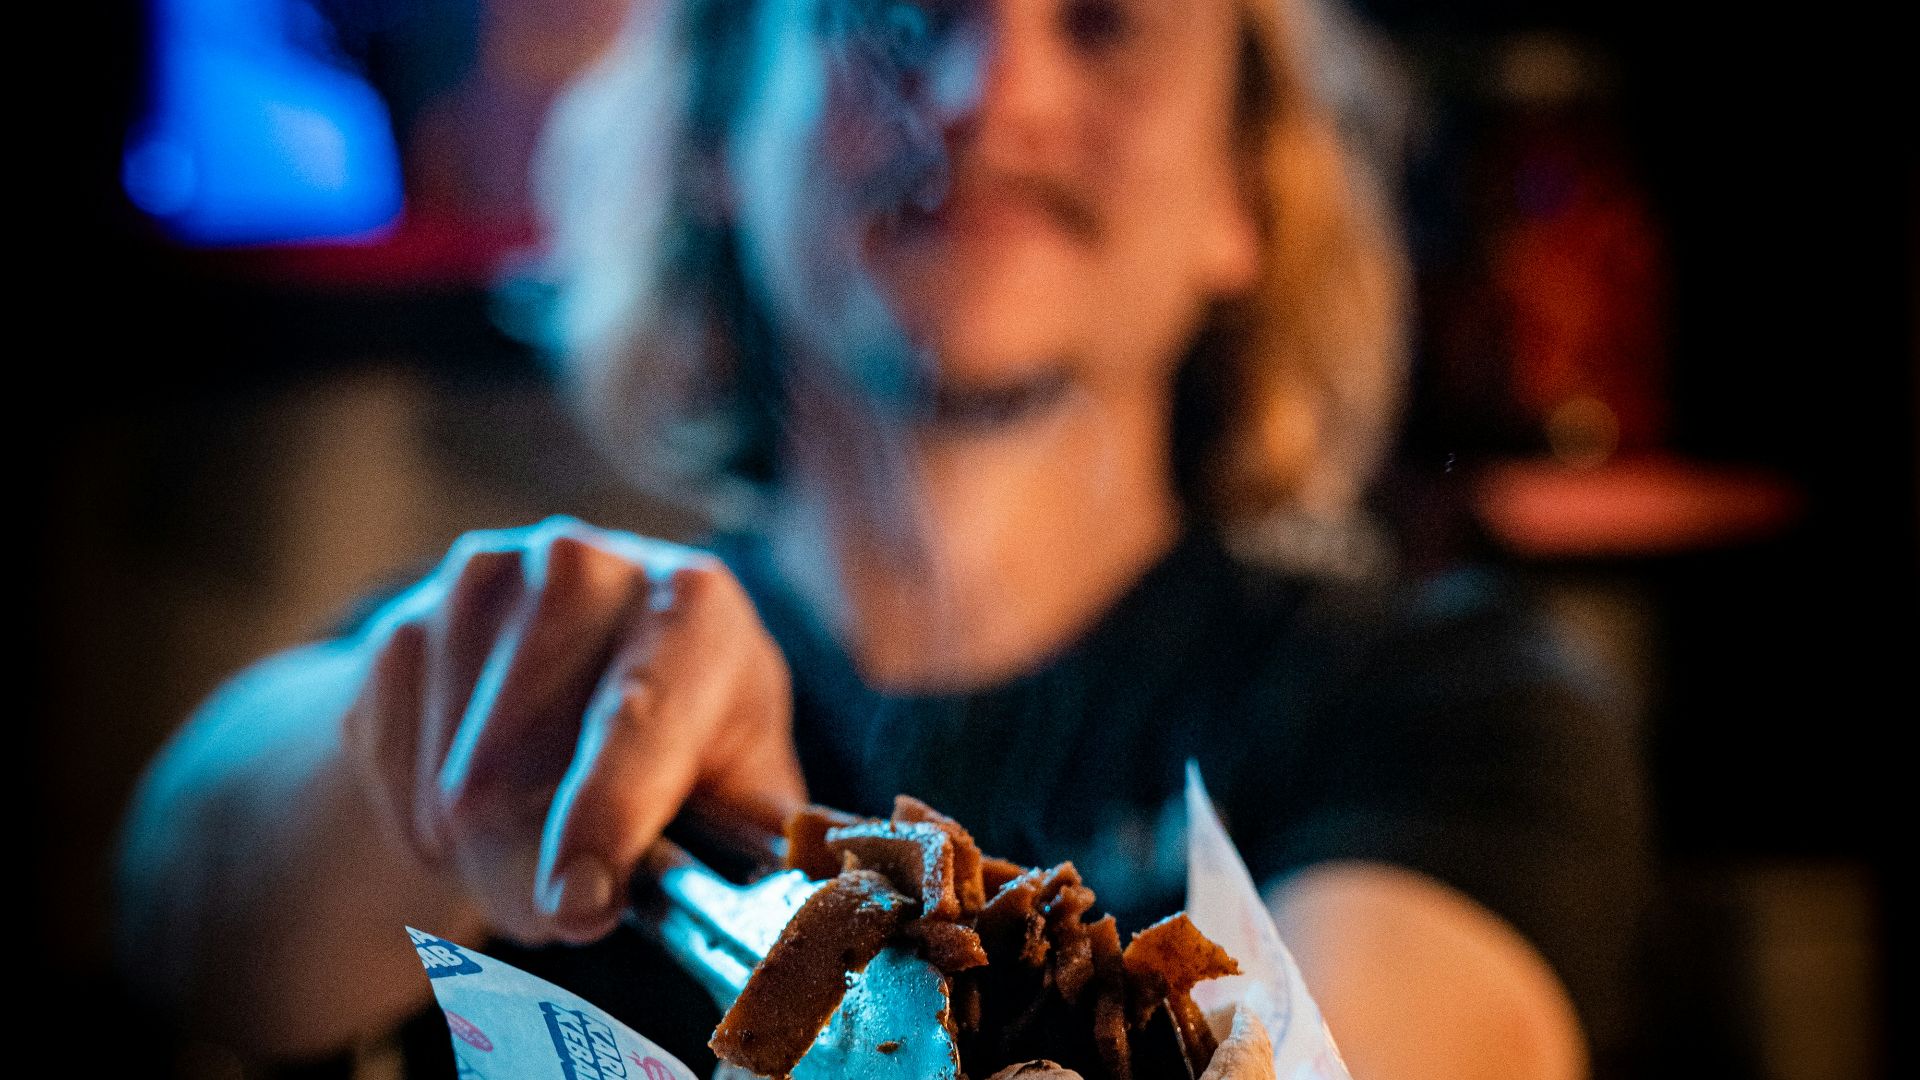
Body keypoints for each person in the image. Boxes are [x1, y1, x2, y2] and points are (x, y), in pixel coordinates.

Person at [115, 0, 1649, 1077]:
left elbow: (1398, 1042)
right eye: (897, 9)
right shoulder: (558, 666)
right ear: (725, 133)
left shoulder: (1438, 703)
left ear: (1242, 196)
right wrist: (439, 762)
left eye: (1105, 22)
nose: (990, 91)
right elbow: (187, 921)